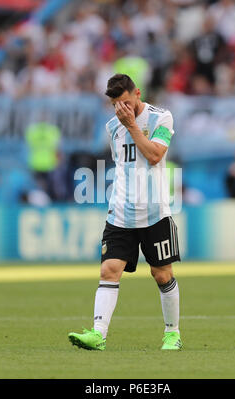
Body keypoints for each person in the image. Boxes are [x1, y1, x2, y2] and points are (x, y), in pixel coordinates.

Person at [68, 74, 182, 351]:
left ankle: (172, 333)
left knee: (162, 274)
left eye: (126, 102)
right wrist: (126, 125)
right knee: (109, 270)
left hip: (154, 211)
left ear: (138, 93)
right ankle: (98, 334)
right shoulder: (112, 127)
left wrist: (132, 127)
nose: (122, 109)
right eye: (116, 104)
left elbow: (154, 157)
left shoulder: (161, 118)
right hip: (120, 211)